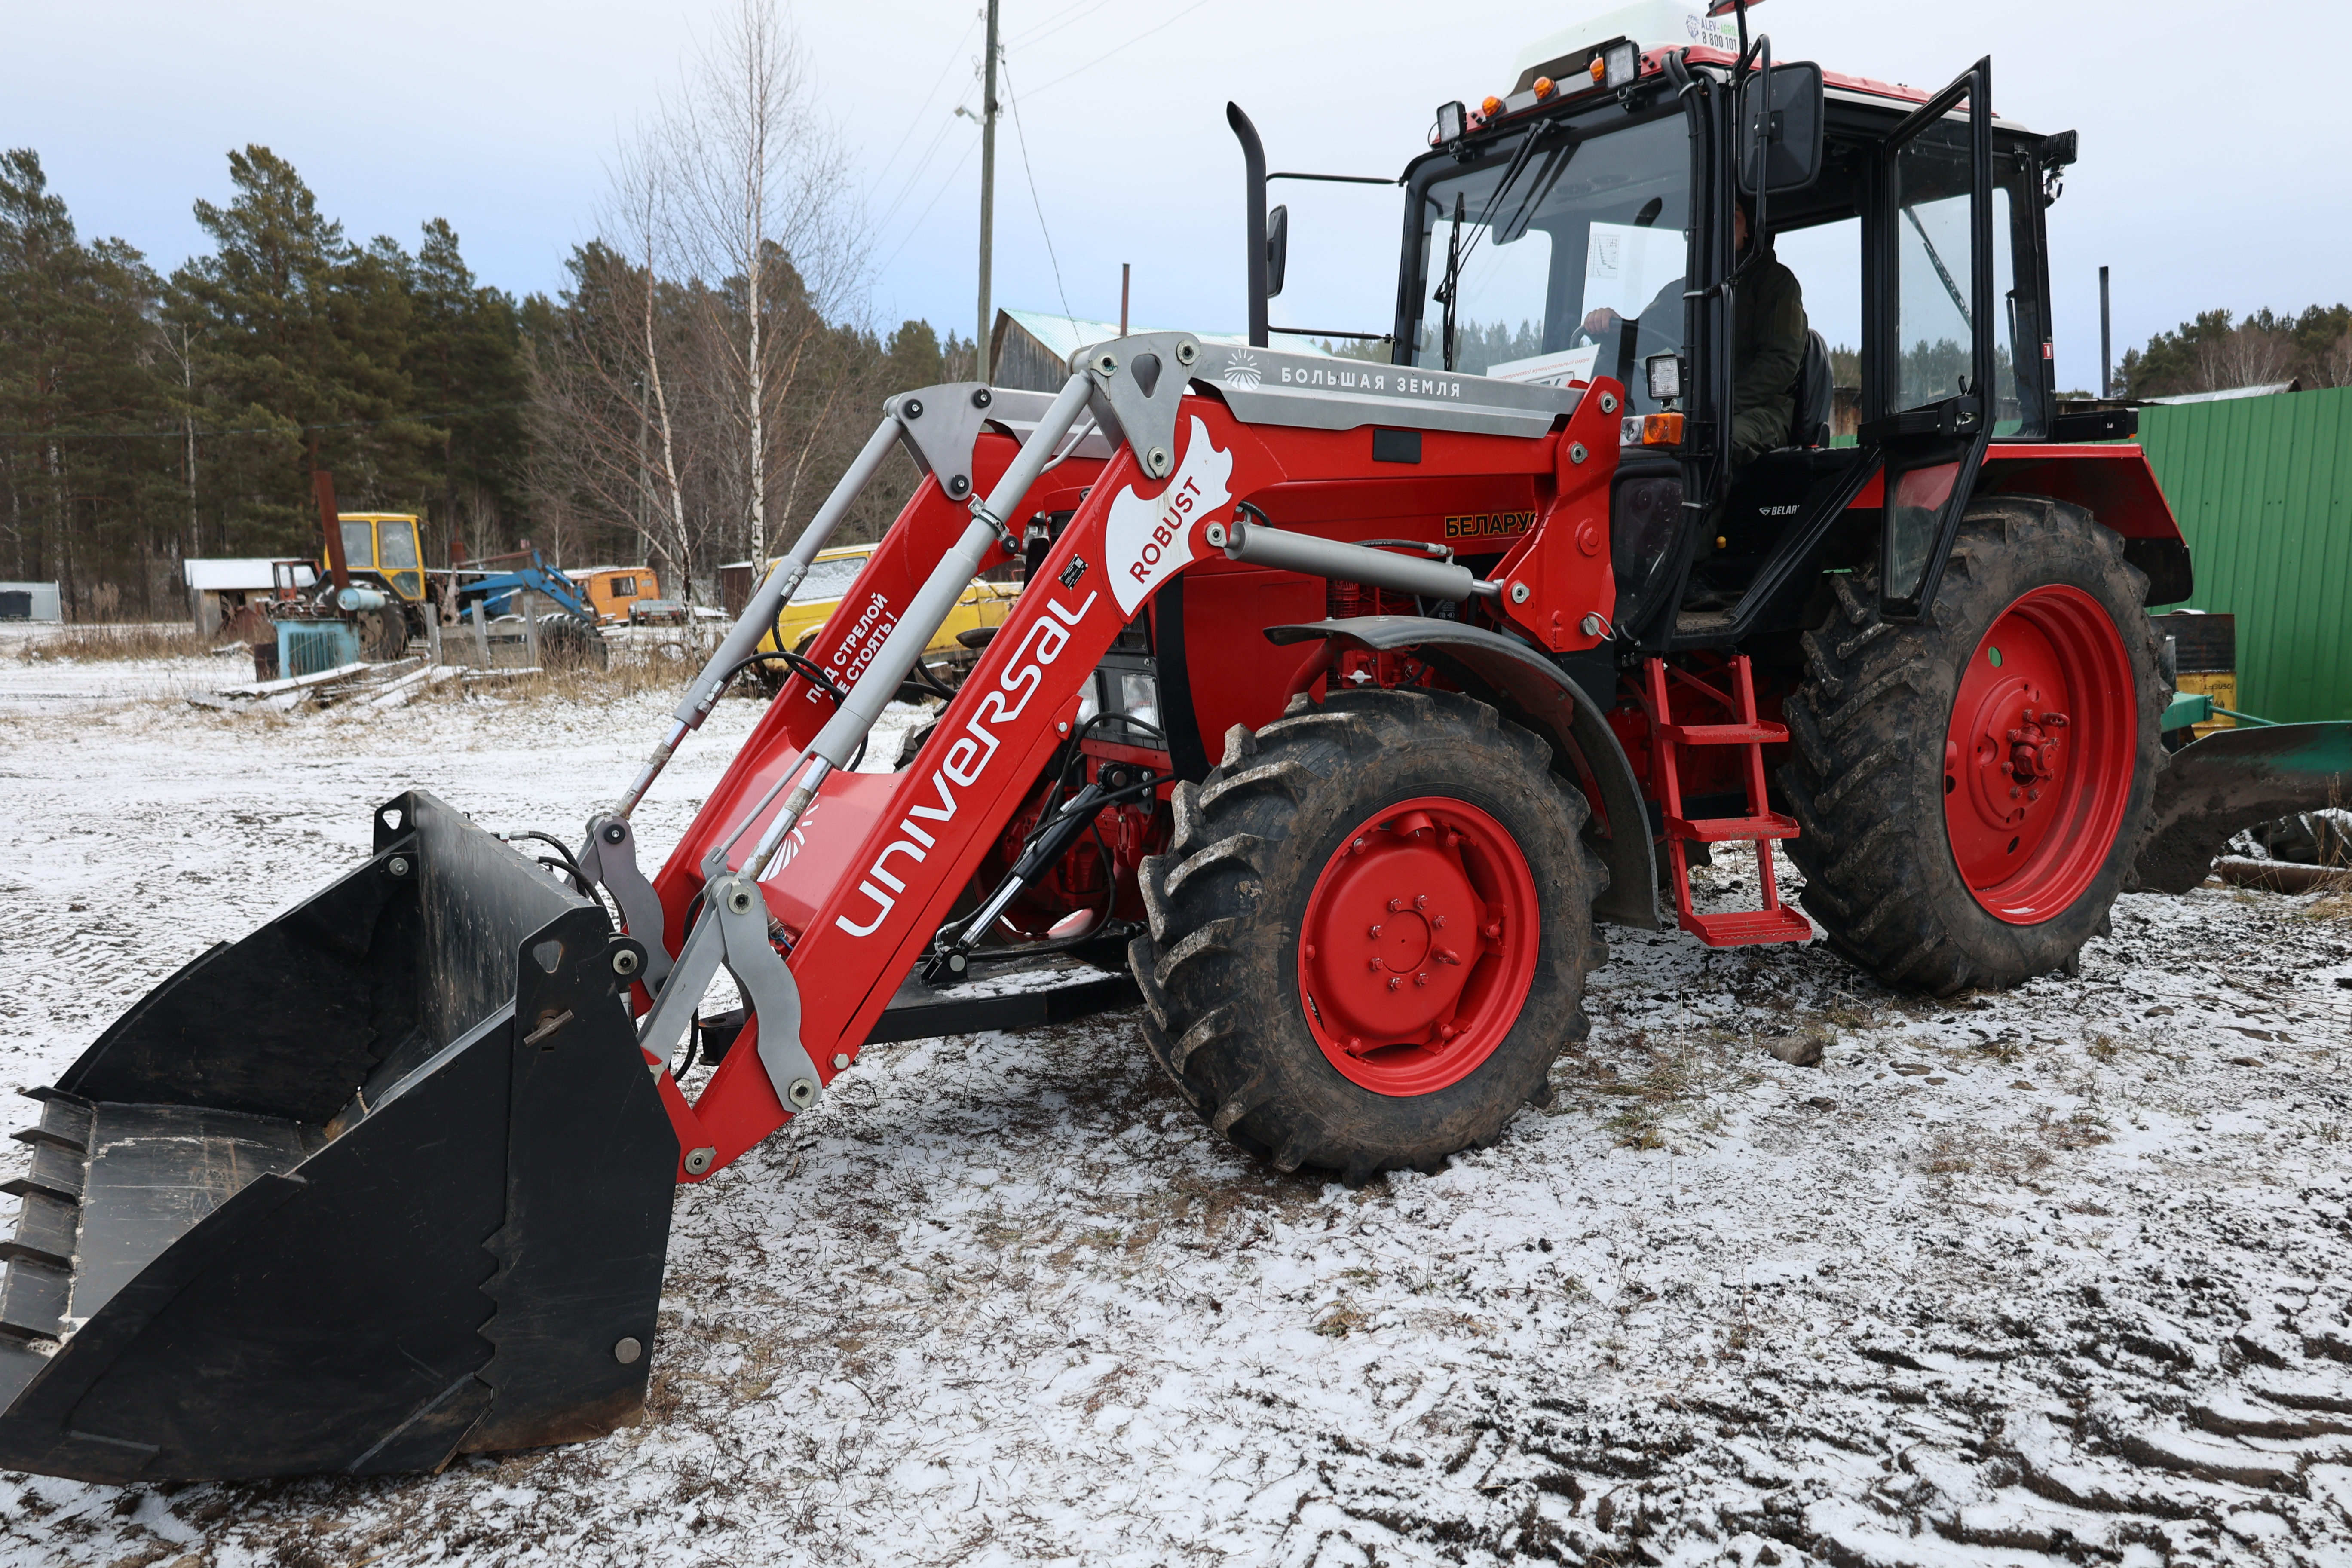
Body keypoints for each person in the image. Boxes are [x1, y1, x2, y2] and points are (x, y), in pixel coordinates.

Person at [1577, 196, 1808, 462]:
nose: (1719, 229)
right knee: (1616, 439)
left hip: (1760, 411)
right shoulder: (1684, 292)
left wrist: (1718, 405)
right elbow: (1642, 335)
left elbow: (1780, 364)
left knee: (1713, 443)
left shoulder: (1777, 284)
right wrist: (1612, 328)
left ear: (1749, 231)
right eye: (1710, 222)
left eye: (1732, 218)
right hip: (1694, 412)